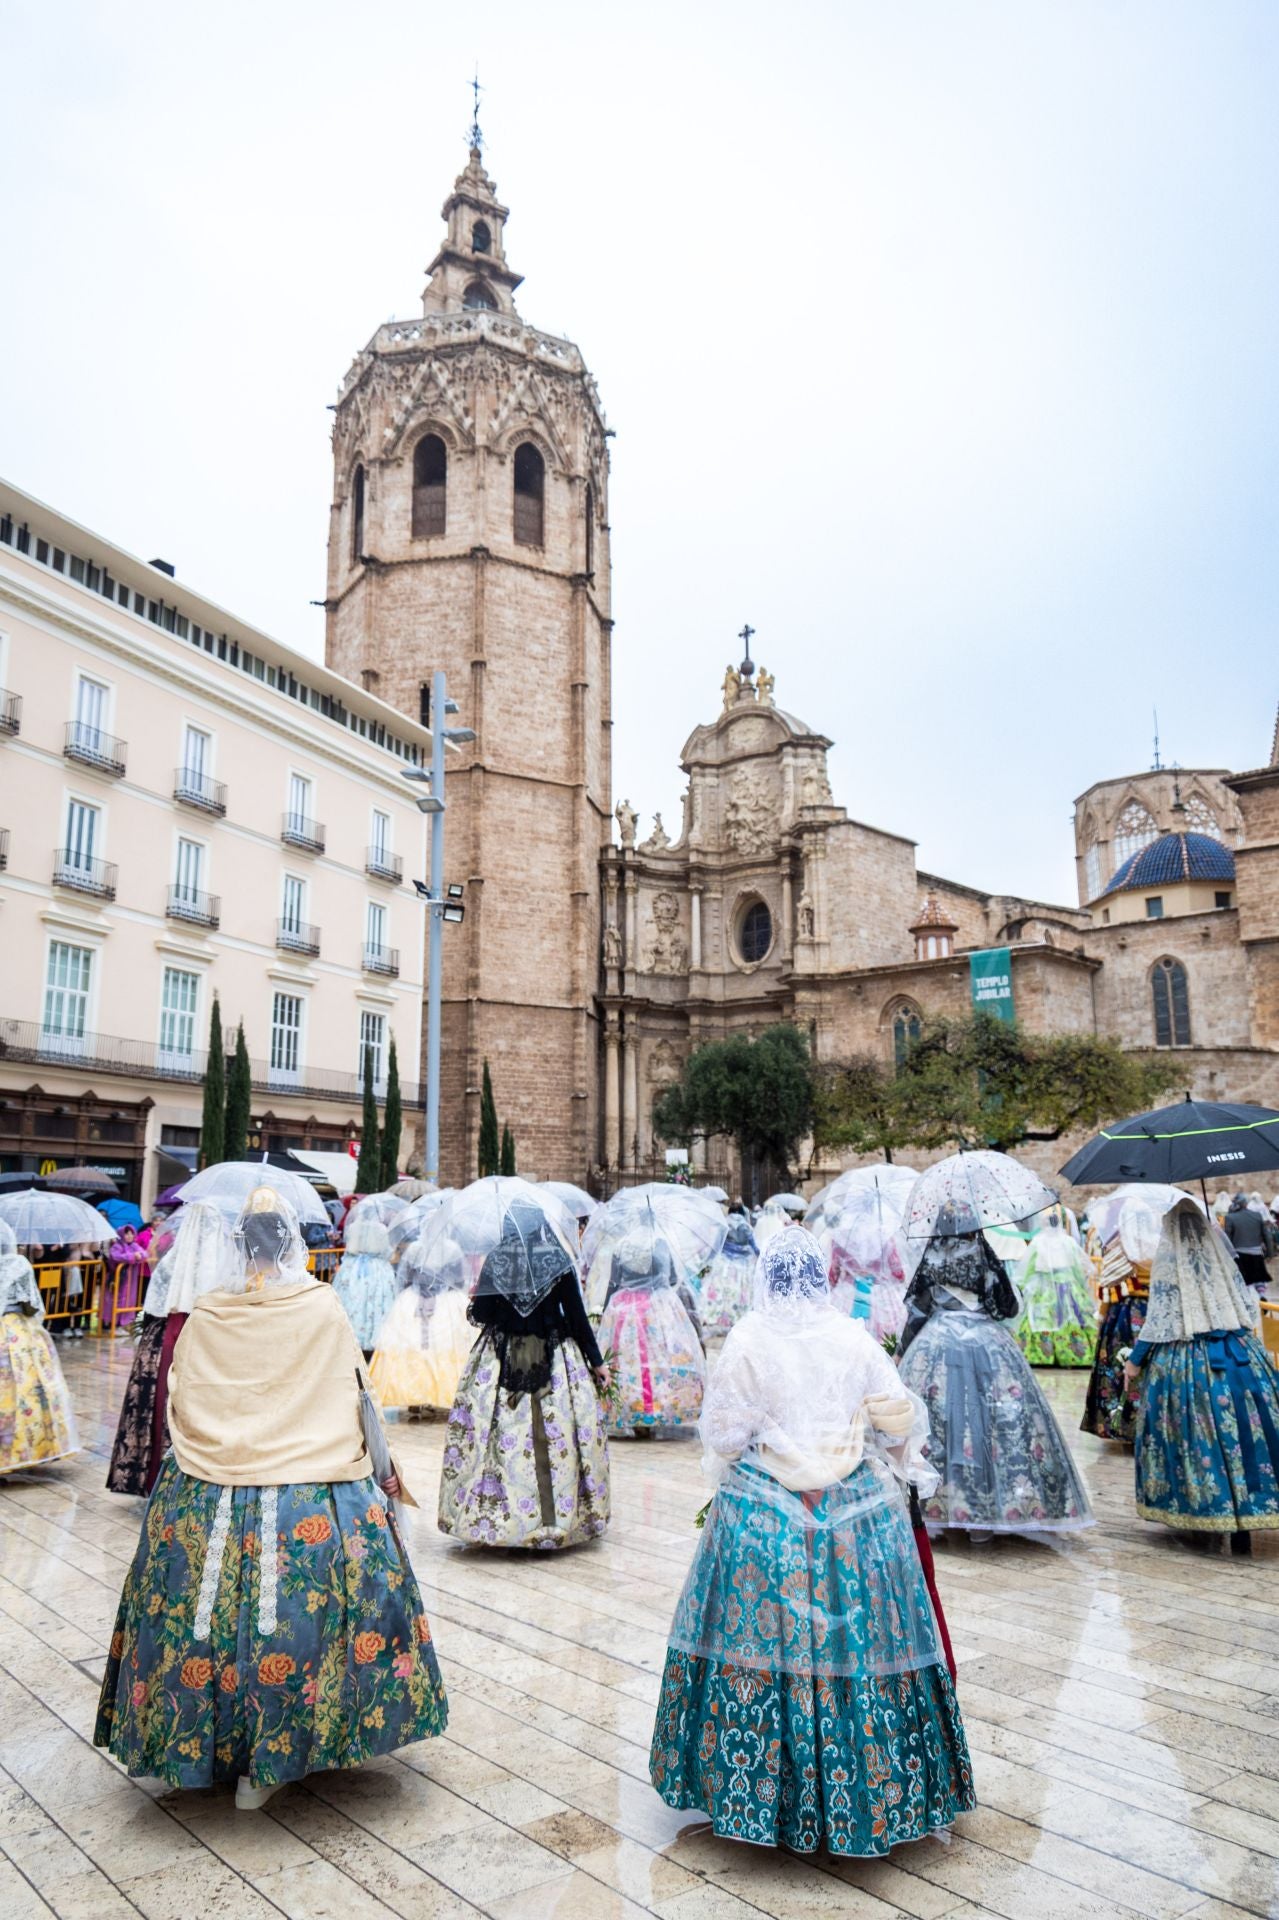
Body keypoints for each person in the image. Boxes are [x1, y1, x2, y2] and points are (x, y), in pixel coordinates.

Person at [95, 1186, 447, 1808]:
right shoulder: (319, 1307)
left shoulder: (210, 1311)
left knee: (194, 1616)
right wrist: (386, 1472)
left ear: (241, 1247)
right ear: (292, 1243)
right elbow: (355, 1393)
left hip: (209, 1482)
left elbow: (181, 1395)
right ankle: (278, 1755)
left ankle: (191, 1742)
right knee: (307, 1618)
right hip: (311, 1490)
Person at [649, 1227, 974, 1855]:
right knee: (858, 1647)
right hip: (857, 1513)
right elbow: (900, 1417)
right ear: (820, 1276)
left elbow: (720, 1436)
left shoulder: (747, 1338)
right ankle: (869, 1792)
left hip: (763, 1512)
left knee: (760, 1645)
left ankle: (762, 1795)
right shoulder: (850, 1336)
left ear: (768, 1276)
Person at [898, 1221, 1092, 1538]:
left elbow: (918, 1312)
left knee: (942, 1423)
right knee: (989, 1422)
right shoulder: (985, 1259)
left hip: (936, 1346)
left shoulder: (932, 1260)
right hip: (987, 1344)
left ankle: (944, 1509)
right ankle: (988, 1512)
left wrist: (902, 1351)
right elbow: (1008, 1306)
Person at [438, 1199, 611, 1549]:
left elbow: (483, 1313)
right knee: (554, 1434)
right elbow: (576, 1316)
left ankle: (501, 1522)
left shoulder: (498, 1259)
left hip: (500, 1355)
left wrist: (484, 1298)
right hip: (555, 1354)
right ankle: (556, 1517)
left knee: (496, 1435)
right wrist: (596, 1361)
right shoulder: (557, 1260)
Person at [1124, 1198, 1279, 1554]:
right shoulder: (1221, 1264)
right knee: (1245, 1436)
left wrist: (1134, 1361)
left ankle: (1206, 1517)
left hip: (1188, 1362)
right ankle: (1246, 1521)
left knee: (1193, 1436)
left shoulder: (1170, 1261)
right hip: (1239, 1357)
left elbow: (1158, 1321)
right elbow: (1243, 1309)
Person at [106, 1204, 235, 1497]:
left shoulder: (172, 1263)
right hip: (204, 1340)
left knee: (160, 1403)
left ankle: (153, 1478)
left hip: (163, 1340)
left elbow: (154, 1306)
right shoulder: (225, 1269)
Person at [594, 1231, 706, 1435]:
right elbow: (671, 1278)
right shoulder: (661, 1243)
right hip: (658, 1306)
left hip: (625, 1309)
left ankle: (631, 1409)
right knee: (661, 1358)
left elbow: (614, 1281)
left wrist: (605, 1312)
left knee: (628, 1361)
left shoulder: (622, 1244)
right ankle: (658, 1407)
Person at [0, 1221, 79, 1474]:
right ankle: (28, 1448)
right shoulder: (18, 1265)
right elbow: (32, 1304)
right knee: (25, 1388)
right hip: (18, 1332)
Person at [369, 1230, 473, 1417]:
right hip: (446, 1302)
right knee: (447, 1347)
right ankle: (446, 1397)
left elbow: (405, 1277)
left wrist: (420, 1286)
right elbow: (460, 1279)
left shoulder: (415, 1249)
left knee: (411, 1346)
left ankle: (413, 1400)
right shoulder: (453, 1249)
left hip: (414, 1300)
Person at [1010, 1222, 1098, 1368]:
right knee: (1071, 1317)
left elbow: (1029, 1266)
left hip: (1043, 1286)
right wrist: (1082, 1284)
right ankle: (1074, 1353)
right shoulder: (1068, 1241)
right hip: (1066, 1285)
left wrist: (1023, 1285)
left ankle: (1042, 1355)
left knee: (1040, 1317)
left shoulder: (1038, 1241)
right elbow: (1077, 1266)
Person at [331, 1197, 399, 1358]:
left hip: (352, 1267)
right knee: (376, 1303)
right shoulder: (381, 1229)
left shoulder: (353, 1227)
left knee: (351, 1301)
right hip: (377, 1269)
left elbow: (349, 1247)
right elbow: (386, 1252)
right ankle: (371, 1339)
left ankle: (347, 1338)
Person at [700, 1212, 758, 1339]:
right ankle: (738, 1318)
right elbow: (755, 1247)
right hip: (743, 1266)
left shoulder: (725, 1227)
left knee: (722, 1292)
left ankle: (718, 1317)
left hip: (724, 1264)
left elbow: (715, 1246)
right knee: (740, 1293)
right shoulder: (746, 1228)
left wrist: (705, 1262)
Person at [1223, 1193, 1272, 1293]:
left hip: (1239, 1256)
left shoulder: (1230, 1218)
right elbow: (1267, 1236)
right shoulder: (1257, 1216)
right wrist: (1269, 1254)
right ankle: (1262, 1298)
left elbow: (1227, 1239)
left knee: (1245, 1284)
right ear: (1246, 1204)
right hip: (1257, 1254)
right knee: (1259, 1281)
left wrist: (1225, 1256)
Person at [107, 1225, 149, 1334]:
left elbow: (144, 1254)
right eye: (127, 1233)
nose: (129, 1236)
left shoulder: (134, 1245)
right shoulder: (117, 1246)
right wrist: (132, 1256)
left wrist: (138, 1255)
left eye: (131, 1233)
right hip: (119, 1278)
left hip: (131, 1280)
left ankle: (124, 1324)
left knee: (129, 1300)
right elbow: (115, 1256)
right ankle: (114, 1324)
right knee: (116, 1299)